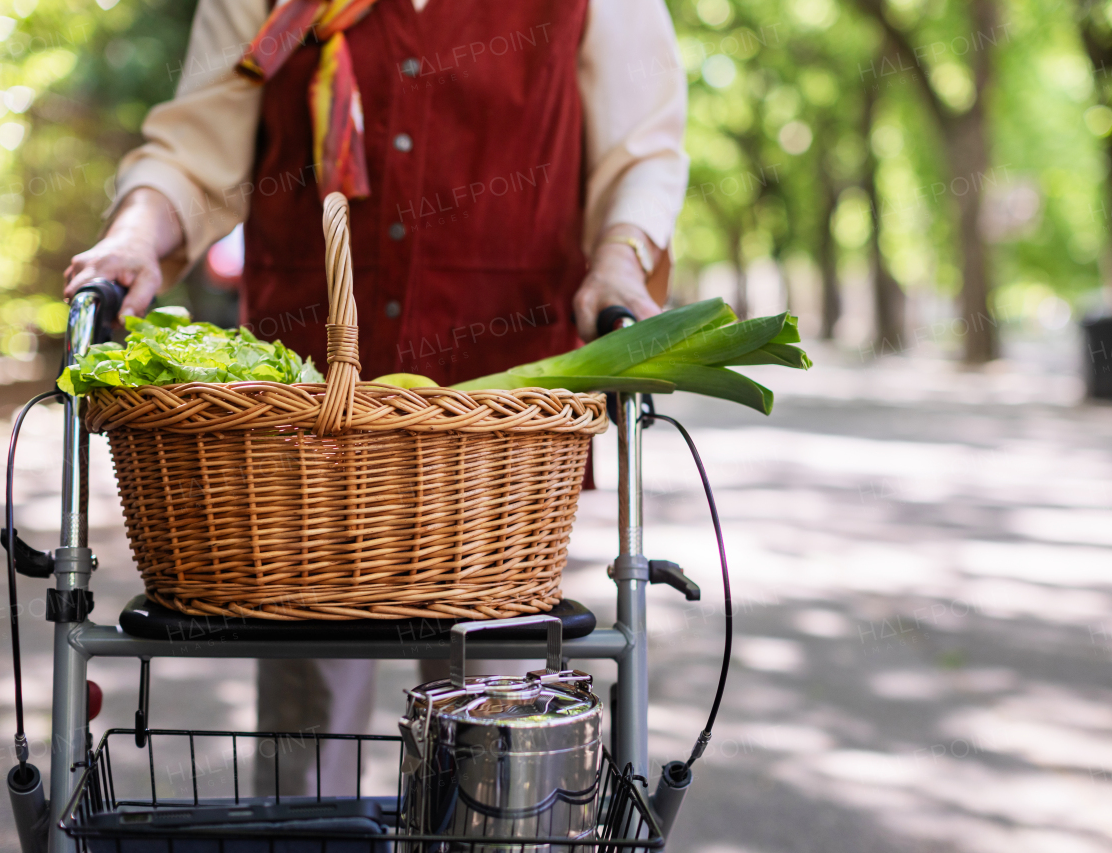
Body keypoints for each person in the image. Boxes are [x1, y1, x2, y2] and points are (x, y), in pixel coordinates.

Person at [63, 0, 688, 796]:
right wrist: (132, 236)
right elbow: (196, 145)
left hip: (498, 428)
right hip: (300, 421)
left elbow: (640, 153)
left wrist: (621, 259)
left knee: (495, 712)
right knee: (306, 717)